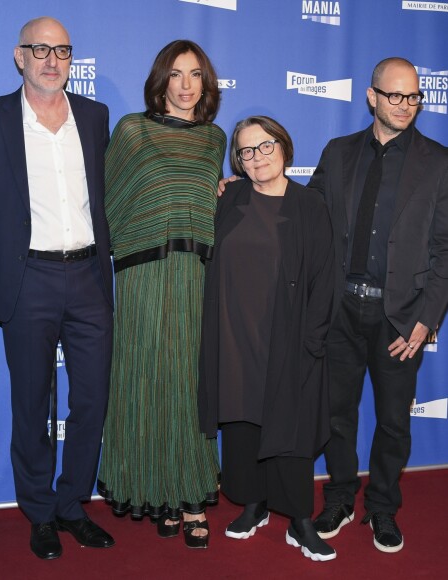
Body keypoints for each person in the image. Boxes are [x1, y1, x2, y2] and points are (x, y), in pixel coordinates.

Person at [0, 17, 114, 560]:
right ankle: (39, 512)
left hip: (89, 279)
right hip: (28, 280)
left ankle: (72, 505)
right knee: (32, 404)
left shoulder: (96, 118)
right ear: (19, 56)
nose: (52, 59)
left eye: (62, 50)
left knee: (92, 400)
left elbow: (122, 185)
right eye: (40, 49)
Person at [309, 57, 448, 553]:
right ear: (371, 97)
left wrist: (427, 317)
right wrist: (245, 190)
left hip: (400, 316)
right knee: (337, 416)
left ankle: (383, 508)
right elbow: (308, 218)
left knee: (393, 422)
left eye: (414, 97)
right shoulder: (339, 152)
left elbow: (445, 250)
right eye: (395, 96)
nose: (406, 106)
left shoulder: (439, 161)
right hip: (341, 311)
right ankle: (341, 495)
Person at [97, 40, 226, 549]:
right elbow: (111, 204)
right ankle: (158, 491)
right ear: (161, 82)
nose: (187, 85)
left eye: (196, 74)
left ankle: (192, 495)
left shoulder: (215, 139)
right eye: (176, 74)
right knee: (149, 379)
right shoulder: (132, 131)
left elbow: (210, 197)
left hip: (197, 275)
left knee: (190, 383)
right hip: (144, 275)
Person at [198, 116, 336, 561]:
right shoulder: (230, 196)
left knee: (289, 429)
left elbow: (324, 280)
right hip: (234, 336)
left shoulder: (309, 204)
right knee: (241, 422)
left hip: (287, 339)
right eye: (246, 151)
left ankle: (299, 519)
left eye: (265, 146)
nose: (257, 157)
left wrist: (311, 343)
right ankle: (253, 504)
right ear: (237, 160)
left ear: (284, 147)